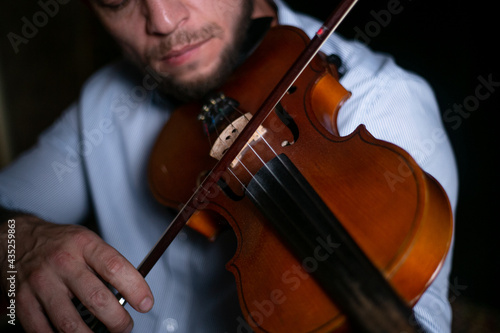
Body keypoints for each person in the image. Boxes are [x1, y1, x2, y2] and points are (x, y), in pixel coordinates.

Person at [0, 0, 458, 332]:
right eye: (117, 1)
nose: (162, 20)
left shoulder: (379, 105)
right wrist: (19, 243)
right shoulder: (105, 98)